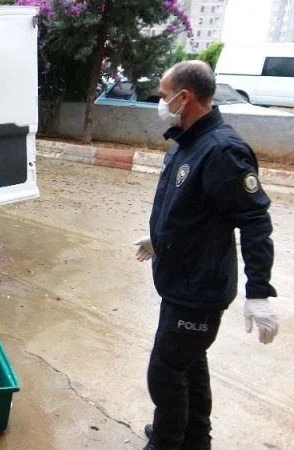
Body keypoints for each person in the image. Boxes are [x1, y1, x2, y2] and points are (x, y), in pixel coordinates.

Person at [134, 60, 279, 450]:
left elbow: (254, 222)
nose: (160, 103)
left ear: (185, 97)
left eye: (164, 96)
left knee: (165, 371)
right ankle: (195, 439)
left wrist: (259, 292)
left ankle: (167, 442)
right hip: (180, 281)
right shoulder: (188, 141)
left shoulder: (222, 151)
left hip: (198, 289)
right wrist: (158, 239)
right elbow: (189, 208)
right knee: (189, 364)